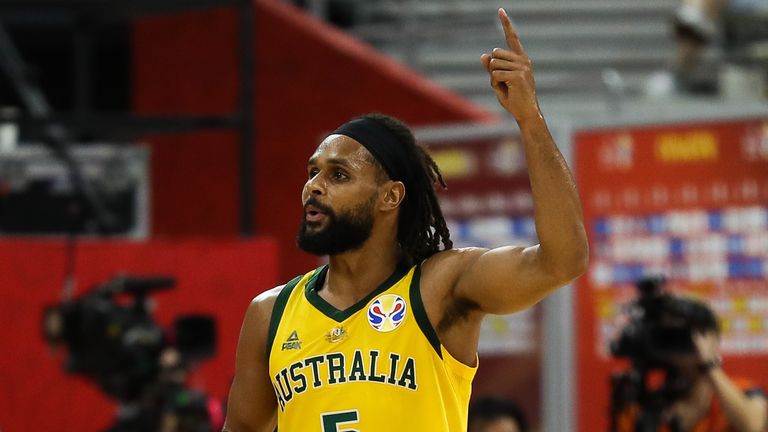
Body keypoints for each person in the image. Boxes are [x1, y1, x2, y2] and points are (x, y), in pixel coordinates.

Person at [223, 8, 588, 432]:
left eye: (338, 175)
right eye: (313, 172)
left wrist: (530, 119)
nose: (314, 187)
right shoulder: (271, 313)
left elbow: (563, 261)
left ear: (390, 196)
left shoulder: (441, 287)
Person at [615, 296, 767, 432]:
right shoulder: (644, 410)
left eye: (683, 336)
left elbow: (754, 427)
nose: (677, 346)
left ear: (712, 339)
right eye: (668, 338)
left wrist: (709, 363)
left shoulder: (740, 392)